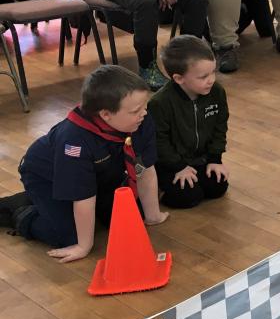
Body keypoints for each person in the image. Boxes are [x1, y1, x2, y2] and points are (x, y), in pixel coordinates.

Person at [0, 66, 168, 262]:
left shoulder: (138, 120)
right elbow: (83, 196)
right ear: (106, 114)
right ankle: (19, 209)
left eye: (145, 105)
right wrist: (83, 246)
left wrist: (152, 216)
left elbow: (145, 169)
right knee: (66, 237)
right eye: (136, 110)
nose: (144, 113)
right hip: (47, 177)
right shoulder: (75, 140)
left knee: (130, 217)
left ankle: (50, 203)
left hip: (99, 174)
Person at [148, 35, 229, 209]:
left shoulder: (217, 92)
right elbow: (159, 141)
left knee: (218, 187)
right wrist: (178, 166)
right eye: (203, 76)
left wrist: (215, 159)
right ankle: (159, 188)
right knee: (187, 197)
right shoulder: (159, 103)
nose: (211, 80)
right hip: (171, 163)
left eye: (213, 72)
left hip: (202, 159)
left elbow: (220, 126)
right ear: (179, 78)